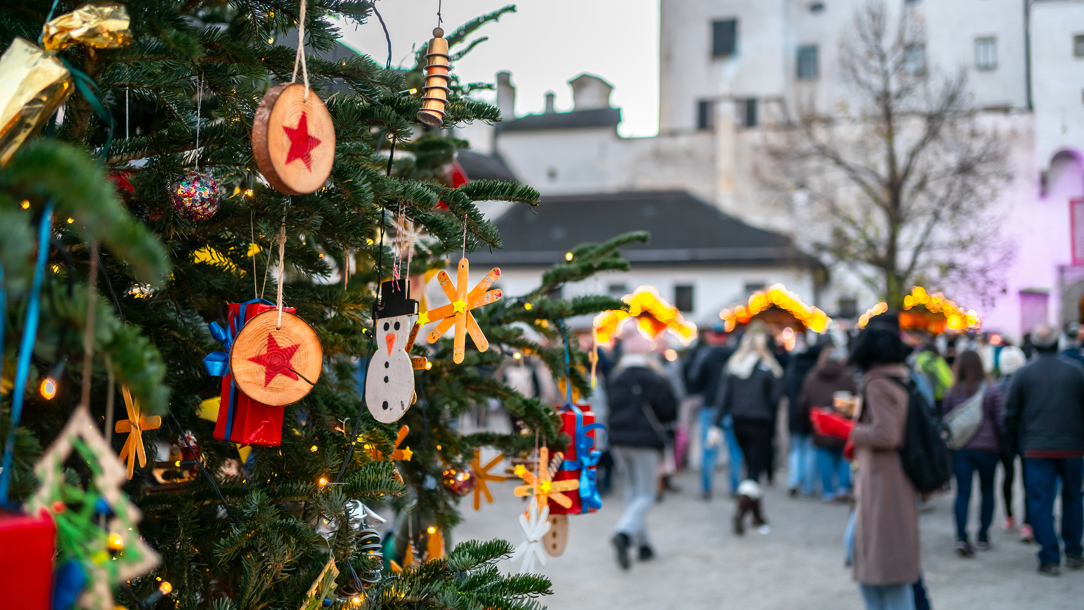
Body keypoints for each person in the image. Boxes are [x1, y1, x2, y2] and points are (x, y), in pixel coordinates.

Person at [848, 314, 920, 610]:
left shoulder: (877, 382)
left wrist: (847, 429)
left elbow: (887, 434)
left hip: (883, 481)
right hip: (893, 479)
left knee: (883, 569)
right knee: (882, 566)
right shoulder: (900, 376)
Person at [1003, 323, 1084, 576]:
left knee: (1040, 503)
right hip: (1072, 448)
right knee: (1073, 499)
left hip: (1037, 449)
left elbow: (1010, 415)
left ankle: (1049, 556)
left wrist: (1017, 445)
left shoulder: (1023, 374)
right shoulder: (1076, 371)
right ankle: (1073, 551)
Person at [606, 324, 679, 570]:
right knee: (646, 494)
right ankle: (624, 533)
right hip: (645, 441)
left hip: (618, 440)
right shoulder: (654, 376)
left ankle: (644, 545)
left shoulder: (616, 376)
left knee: (632, 492)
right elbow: (670, 409)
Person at [708, 322, 784, 535]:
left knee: (750, 466)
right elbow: (775, 398)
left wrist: (716, 424)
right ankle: (741, 510)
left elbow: (723, 398)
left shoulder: (734, 366)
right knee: (753, 469)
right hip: (761, 423)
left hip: (739, 421)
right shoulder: (767, 368)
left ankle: (758, 516)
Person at [940, 350, 1005, 557]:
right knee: (987, 491)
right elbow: (1000, 420)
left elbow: (947, 419)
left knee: (962, 493)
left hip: (961, 449)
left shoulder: (952, 392)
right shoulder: (991, 390)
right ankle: (983, 535)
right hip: (988, 449)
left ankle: (961, 536)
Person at [685, 324, 740, 500]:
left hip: (710, 406)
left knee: (708, 450)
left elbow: (694, 379)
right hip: (731, 407)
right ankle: (735, 488)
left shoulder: (705, 356)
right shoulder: (736, 356)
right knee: (734, 451)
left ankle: (706, 488)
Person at [799, 346, 858, 502]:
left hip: (820, 424)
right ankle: (843, 487)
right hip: (841, 423)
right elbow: (856, 399)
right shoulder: (847, 376)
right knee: (844, 457)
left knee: (823, 457)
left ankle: (828, 491)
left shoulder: (812, 377)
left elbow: (804, 402)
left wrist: (808, 420)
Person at [994, 346, 1030, 539]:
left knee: (1007, 478)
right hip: (1026, 438)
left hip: (1005, 439)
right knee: (1028, 480)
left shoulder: (998, 387)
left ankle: (1009, 515)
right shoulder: (1028, 385)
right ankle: (1027, 522)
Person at [784, 338, 824, 497]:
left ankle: (794, 480)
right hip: (810, 415)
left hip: (794, 414)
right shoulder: (814, 374)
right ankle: (808, 485)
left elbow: (785, 392)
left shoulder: (792, 371)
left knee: (796, 450)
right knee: (809, 450)